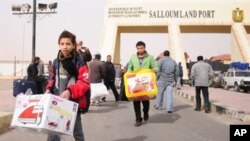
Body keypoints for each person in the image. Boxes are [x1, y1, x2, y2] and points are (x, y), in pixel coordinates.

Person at [45, 30, 89, 141]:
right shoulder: (56, 62)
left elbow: (84, 82)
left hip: (73, 103)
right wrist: (49, 89)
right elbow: (53, 79)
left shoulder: (79, 62)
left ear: (74, 45)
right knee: (53, 132)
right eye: (62, 44)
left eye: (68, 44)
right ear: (59, 45)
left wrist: (70, 91)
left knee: (77, 132)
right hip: (56, 103)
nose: (65, 47)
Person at [127, 41, 159, 127]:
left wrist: (153, 70)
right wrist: (128, 77)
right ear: (136, 48)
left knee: (145, 100)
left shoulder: (150, 57)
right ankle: (138, 119)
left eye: (141, 48)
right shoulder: (133, 57)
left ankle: (145, 112)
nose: (139, 50)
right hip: (136, 83)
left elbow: (156, 67)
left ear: (144, 48)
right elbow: (130, 68)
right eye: (138, 48)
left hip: (146, 83)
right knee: (136, 101)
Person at [76, 40, 92, 113]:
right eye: (79, 44)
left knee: (85, 90)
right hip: (76, 73)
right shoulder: (74, 52)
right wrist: (78, 50)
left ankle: (84, 107)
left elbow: (89, 59)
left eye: (81, 44)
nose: (80, 45)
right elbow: (79, 59)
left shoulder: (83, 52)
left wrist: (87, 51)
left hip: (84, 73)